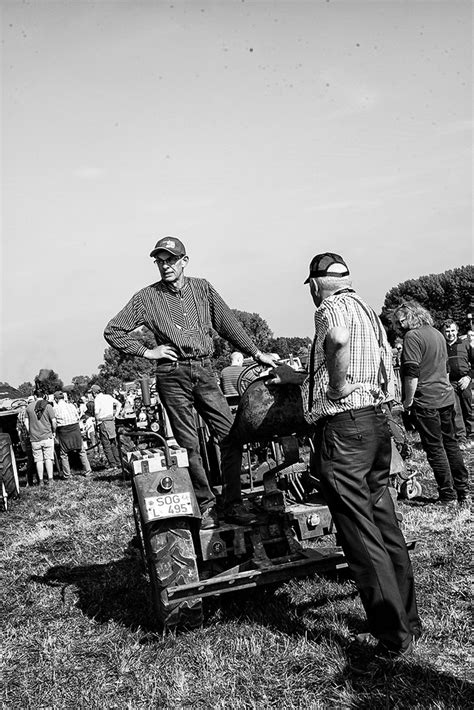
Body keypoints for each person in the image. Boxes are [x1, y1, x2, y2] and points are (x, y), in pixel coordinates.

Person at [269, 252, 420, 659]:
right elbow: (366, 366)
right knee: (384, 522)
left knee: (360, 536)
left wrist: (335, 388)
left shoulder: (330, 307)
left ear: (317, 284)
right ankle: (410, 620)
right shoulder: (366, 310)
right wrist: (302, 378)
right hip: (373, 424)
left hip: (344, 430)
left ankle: (393, 637)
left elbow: (336, 342)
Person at [104, 236, 278, 527]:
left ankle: (233, 503)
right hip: (171, 374)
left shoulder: (203, 288)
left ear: (184, 261)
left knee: (230, 434)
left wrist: (257, 353)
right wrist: (148, 351)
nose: (165, 266)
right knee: (188, 443)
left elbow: (228, 324)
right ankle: (207, 504)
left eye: (170, 260)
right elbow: (113, 330)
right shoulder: (146, 298)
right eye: (160, 261)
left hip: (205, 369)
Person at [393, 302, 469, 507]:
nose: (399, 325)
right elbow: (445, 369)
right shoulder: (437, 333)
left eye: (401, 320)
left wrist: (407, 402)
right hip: (445, 396)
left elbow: (411, 374)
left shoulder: (412, 337)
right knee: (451, 444)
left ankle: (448, 495)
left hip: (426, 399)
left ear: (410, 317)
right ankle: (462, 491)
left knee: (435, 448)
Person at [442, 319, 473, 450]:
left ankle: (472, 435)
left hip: (464, 381)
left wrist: (468, 377)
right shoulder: (441, 346)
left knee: (468, 408)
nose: (450, 334)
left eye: (453, 331)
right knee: (455, 411)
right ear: (443, 332)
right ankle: (461, 438)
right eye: (447, 331)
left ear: (457, 331)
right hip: (450, 383)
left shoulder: (465, 345)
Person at [53, 391, 93, 478]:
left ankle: (67, 474)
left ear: (56, 399)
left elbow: (54, 422)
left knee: (64, 454)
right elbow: (77, 417)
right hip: (75, 428)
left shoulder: (55, 409)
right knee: (81, 450)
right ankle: (88, 470)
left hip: (64, 431)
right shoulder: (71, 405)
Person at [25, 393, 57, 485]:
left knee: (38, 460)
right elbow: (54, 421)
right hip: (47, 436)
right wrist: (53, 431)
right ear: (44, 396)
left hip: (34, 438)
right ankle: (50, 479)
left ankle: (41, 480)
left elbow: (26, 423)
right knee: (48, 458)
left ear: (34, 396)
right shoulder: (48, 406)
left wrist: (31, 432)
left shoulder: (29, 407)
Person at [89, 384, 122, 470]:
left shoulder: (97, 399)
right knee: (113, 443)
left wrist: (96, 420)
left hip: (103, 422)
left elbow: (96, 412)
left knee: (106, 444)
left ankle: (113, 464)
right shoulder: (108, 396)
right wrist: (116, 415)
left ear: (94, 392)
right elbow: (119, 404)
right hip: (111, 421)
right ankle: (118, 462)